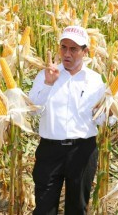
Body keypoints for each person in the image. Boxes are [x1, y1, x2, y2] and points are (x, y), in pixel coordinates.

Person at [29, 25, 106, 215]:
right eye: (63, 47)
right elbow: (31, 111)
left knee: (77, 208)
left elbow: (102, 119)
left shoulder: (95, 80)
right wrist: (48, 83)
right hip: (50, 150)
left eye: (73, 49)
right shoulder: (45, 75)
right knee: (44, 207)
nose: (67, 53)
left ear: (85, 51)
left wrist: (110, 111)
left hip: (83, 151)